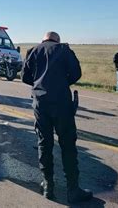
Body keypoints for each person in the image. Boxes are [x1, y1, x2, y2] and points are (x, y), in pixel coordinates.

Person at [22, 31, 93, 203]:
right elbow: (76, 74)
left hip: (40, 103)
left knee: (44, 143)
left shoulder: (33, 51)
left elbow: (25, 77)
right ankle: (72, 190)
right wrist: (61, 83)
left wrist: (41, 84)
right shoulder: (64, 49)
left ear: (44, 39)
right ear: (57, 40)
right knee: (67, 144)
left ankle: (48, 186)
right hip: (62, 102)